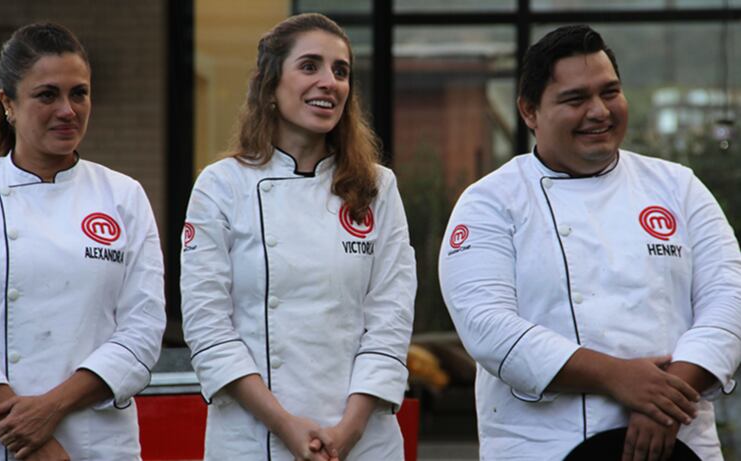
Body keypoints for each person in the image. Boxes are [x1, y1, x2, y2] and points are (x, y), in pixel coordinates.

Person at [439, 24, 741, 461]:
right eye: (576, 99)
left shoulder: (678, 187)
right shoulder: (490, 202)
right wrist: (618, 378)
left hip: (677, 443)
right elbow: (488, 327)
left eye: (610, 92)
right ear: (529, 111)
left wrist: (665, 399)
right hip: (543, 445)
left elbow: (729, 298)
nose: (599, 111)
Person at [0, 22, 166, 460]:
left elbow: (143, 331)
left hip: (93, 440)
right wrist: (30, 437)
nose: (68, 110)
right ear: (7, 103)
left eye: (80, 93)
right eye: (47, 94)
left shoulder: (123, 196)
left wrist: (49, 410)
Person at [181, 13, 416, 461]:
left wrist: (349, 429)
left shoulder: (378, 187)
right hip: (253, 438)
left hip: (363, 440)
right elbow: (208, 327)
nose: (329, 81)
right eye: (310, 66)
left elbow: (390, 318)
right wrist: (284, 424)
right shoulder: (221, 186)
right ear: (270, 86)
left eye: (340, 71)